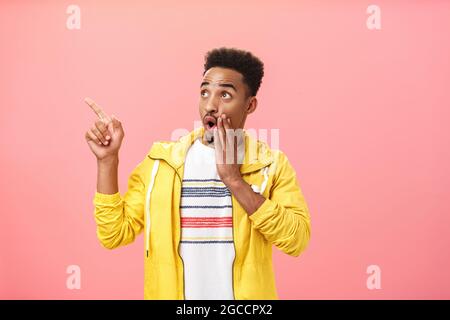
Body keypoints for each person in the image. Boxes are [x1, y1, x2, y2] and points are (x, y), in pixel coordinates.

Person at [85, 47, 311, 300]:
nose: (211, 105)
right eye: (205, 92)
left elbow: (297, 240)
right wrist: (108, 162)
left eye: (225, 94)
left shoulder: (271, 165)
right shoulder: (163, 163)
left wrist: (235, 181)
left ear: (250, 105)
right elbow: (114, 234)